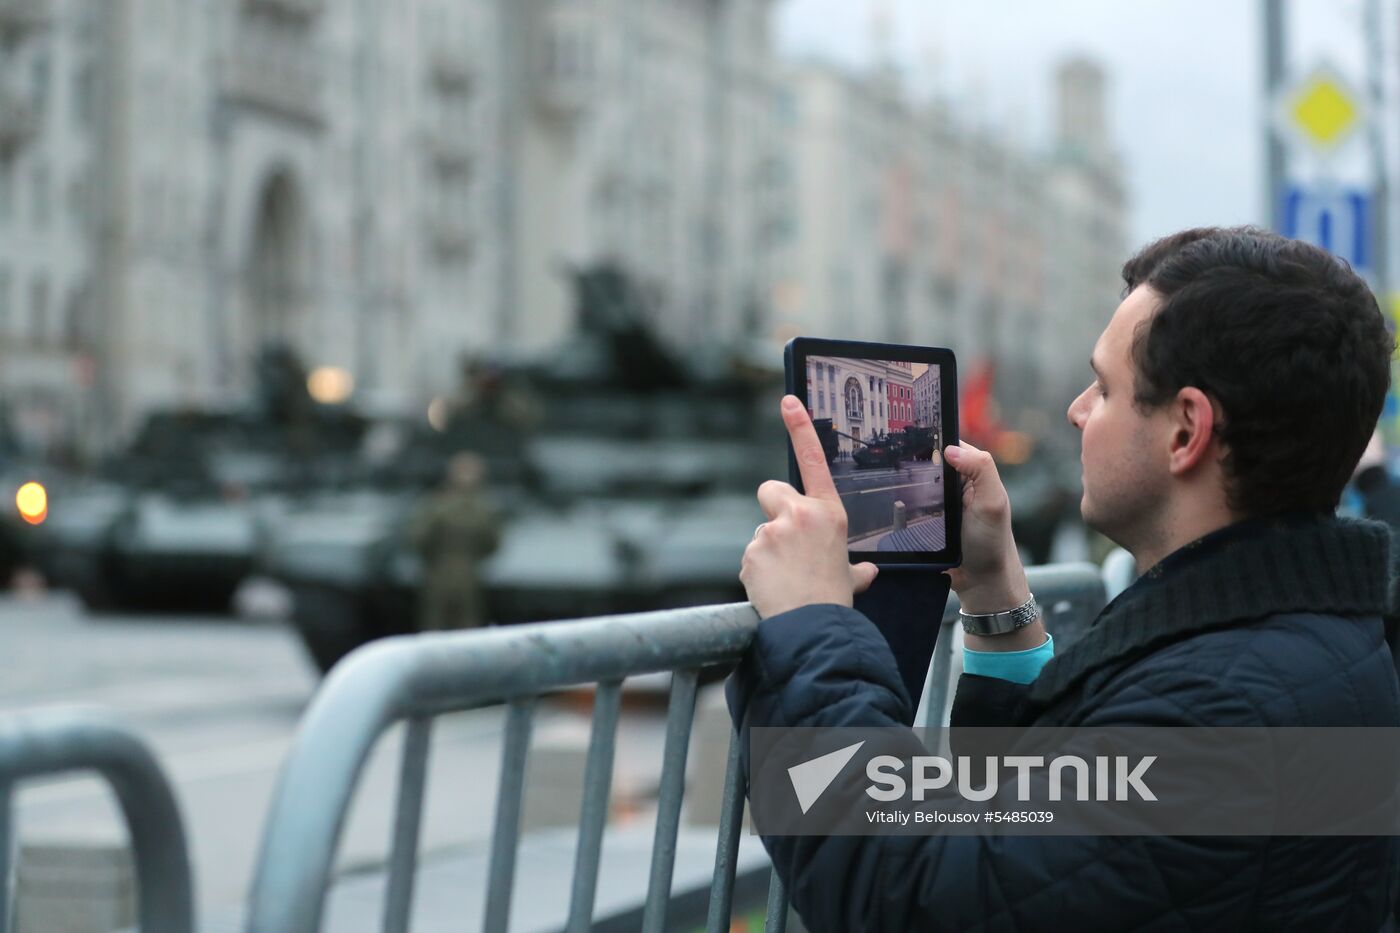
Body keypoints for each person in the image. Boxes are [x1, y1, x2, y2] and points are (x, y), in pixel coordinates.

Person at [728, 227, 1400, 931]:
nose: (1078, 410)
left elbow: (911, 893)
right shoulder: (1307, 638)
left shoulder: (1217, 708)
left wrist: (809, 624)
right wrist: (995, 595)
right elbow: (1044, 833)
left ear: (1185, 431)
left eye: (1105, 387)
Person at [408, 452, 502, 632]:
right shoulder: (436, 505)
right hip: (438, 574)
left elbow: (492, 543)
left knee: (467, 627)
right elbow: (418, 539)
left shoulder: (483, 508)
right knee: (434, 627)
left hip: (468, 576)